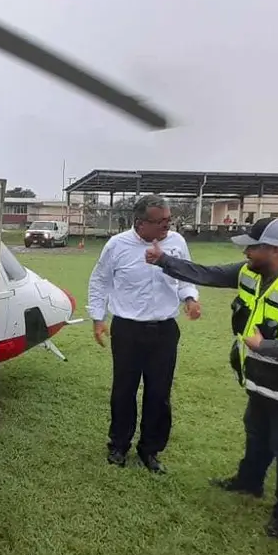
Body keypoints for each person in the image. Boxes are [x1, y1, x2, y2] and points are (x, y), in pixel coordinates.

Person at [145, 217, 278, 539]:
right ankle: (249, 482)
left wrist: (265, 346)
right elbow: (208, 274)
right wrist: (165, 261)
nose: (246, 253)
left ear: (276, 250)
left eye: (253, 247)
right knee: (256, 433)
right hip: (266, 380)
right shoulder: (253, 272)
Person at [87, 195, 200, 474]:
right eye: (160, 221)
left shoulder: (176, 243)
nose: (167, 225)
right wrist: (98, 318)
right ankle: (119, 445)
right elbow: (100, 281)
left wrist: (190, 298)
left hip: (164, 330)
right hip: (128, 329)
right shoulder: (117, 245)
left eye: (168, 220)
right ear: (140, 222)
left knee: (159, 394)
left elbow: (185, 275)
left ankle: (150, 450)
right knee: (124, 390)